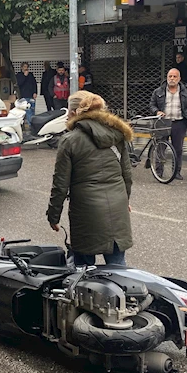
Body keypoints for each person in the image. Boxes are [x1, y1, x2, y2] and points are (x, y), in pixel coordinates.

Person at [47, 91, 133, 266]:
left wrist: (53, 216)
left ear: (72, 113)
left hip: (86, 213)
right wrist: (125, 200)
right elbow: (127, 175)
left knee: (84, 273)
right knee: (118, 269)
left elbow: (60, 185)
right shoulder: (117, 135)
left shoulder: (70, 140)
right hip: (117, 208)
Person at [149, 68, 187, 180]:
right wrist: (157, 111)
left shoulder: (186, 92)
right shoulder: (158, 91)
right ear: (167, 77)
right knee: (160, 148)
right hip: (163, 122)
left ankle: (176, 172)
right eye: (170, 76)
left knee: (178, 149)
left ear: (179, 78)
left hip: (179, 123)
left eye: (174, 76)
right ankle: (159, 172)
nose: (172, 79)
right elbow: (151, 105)